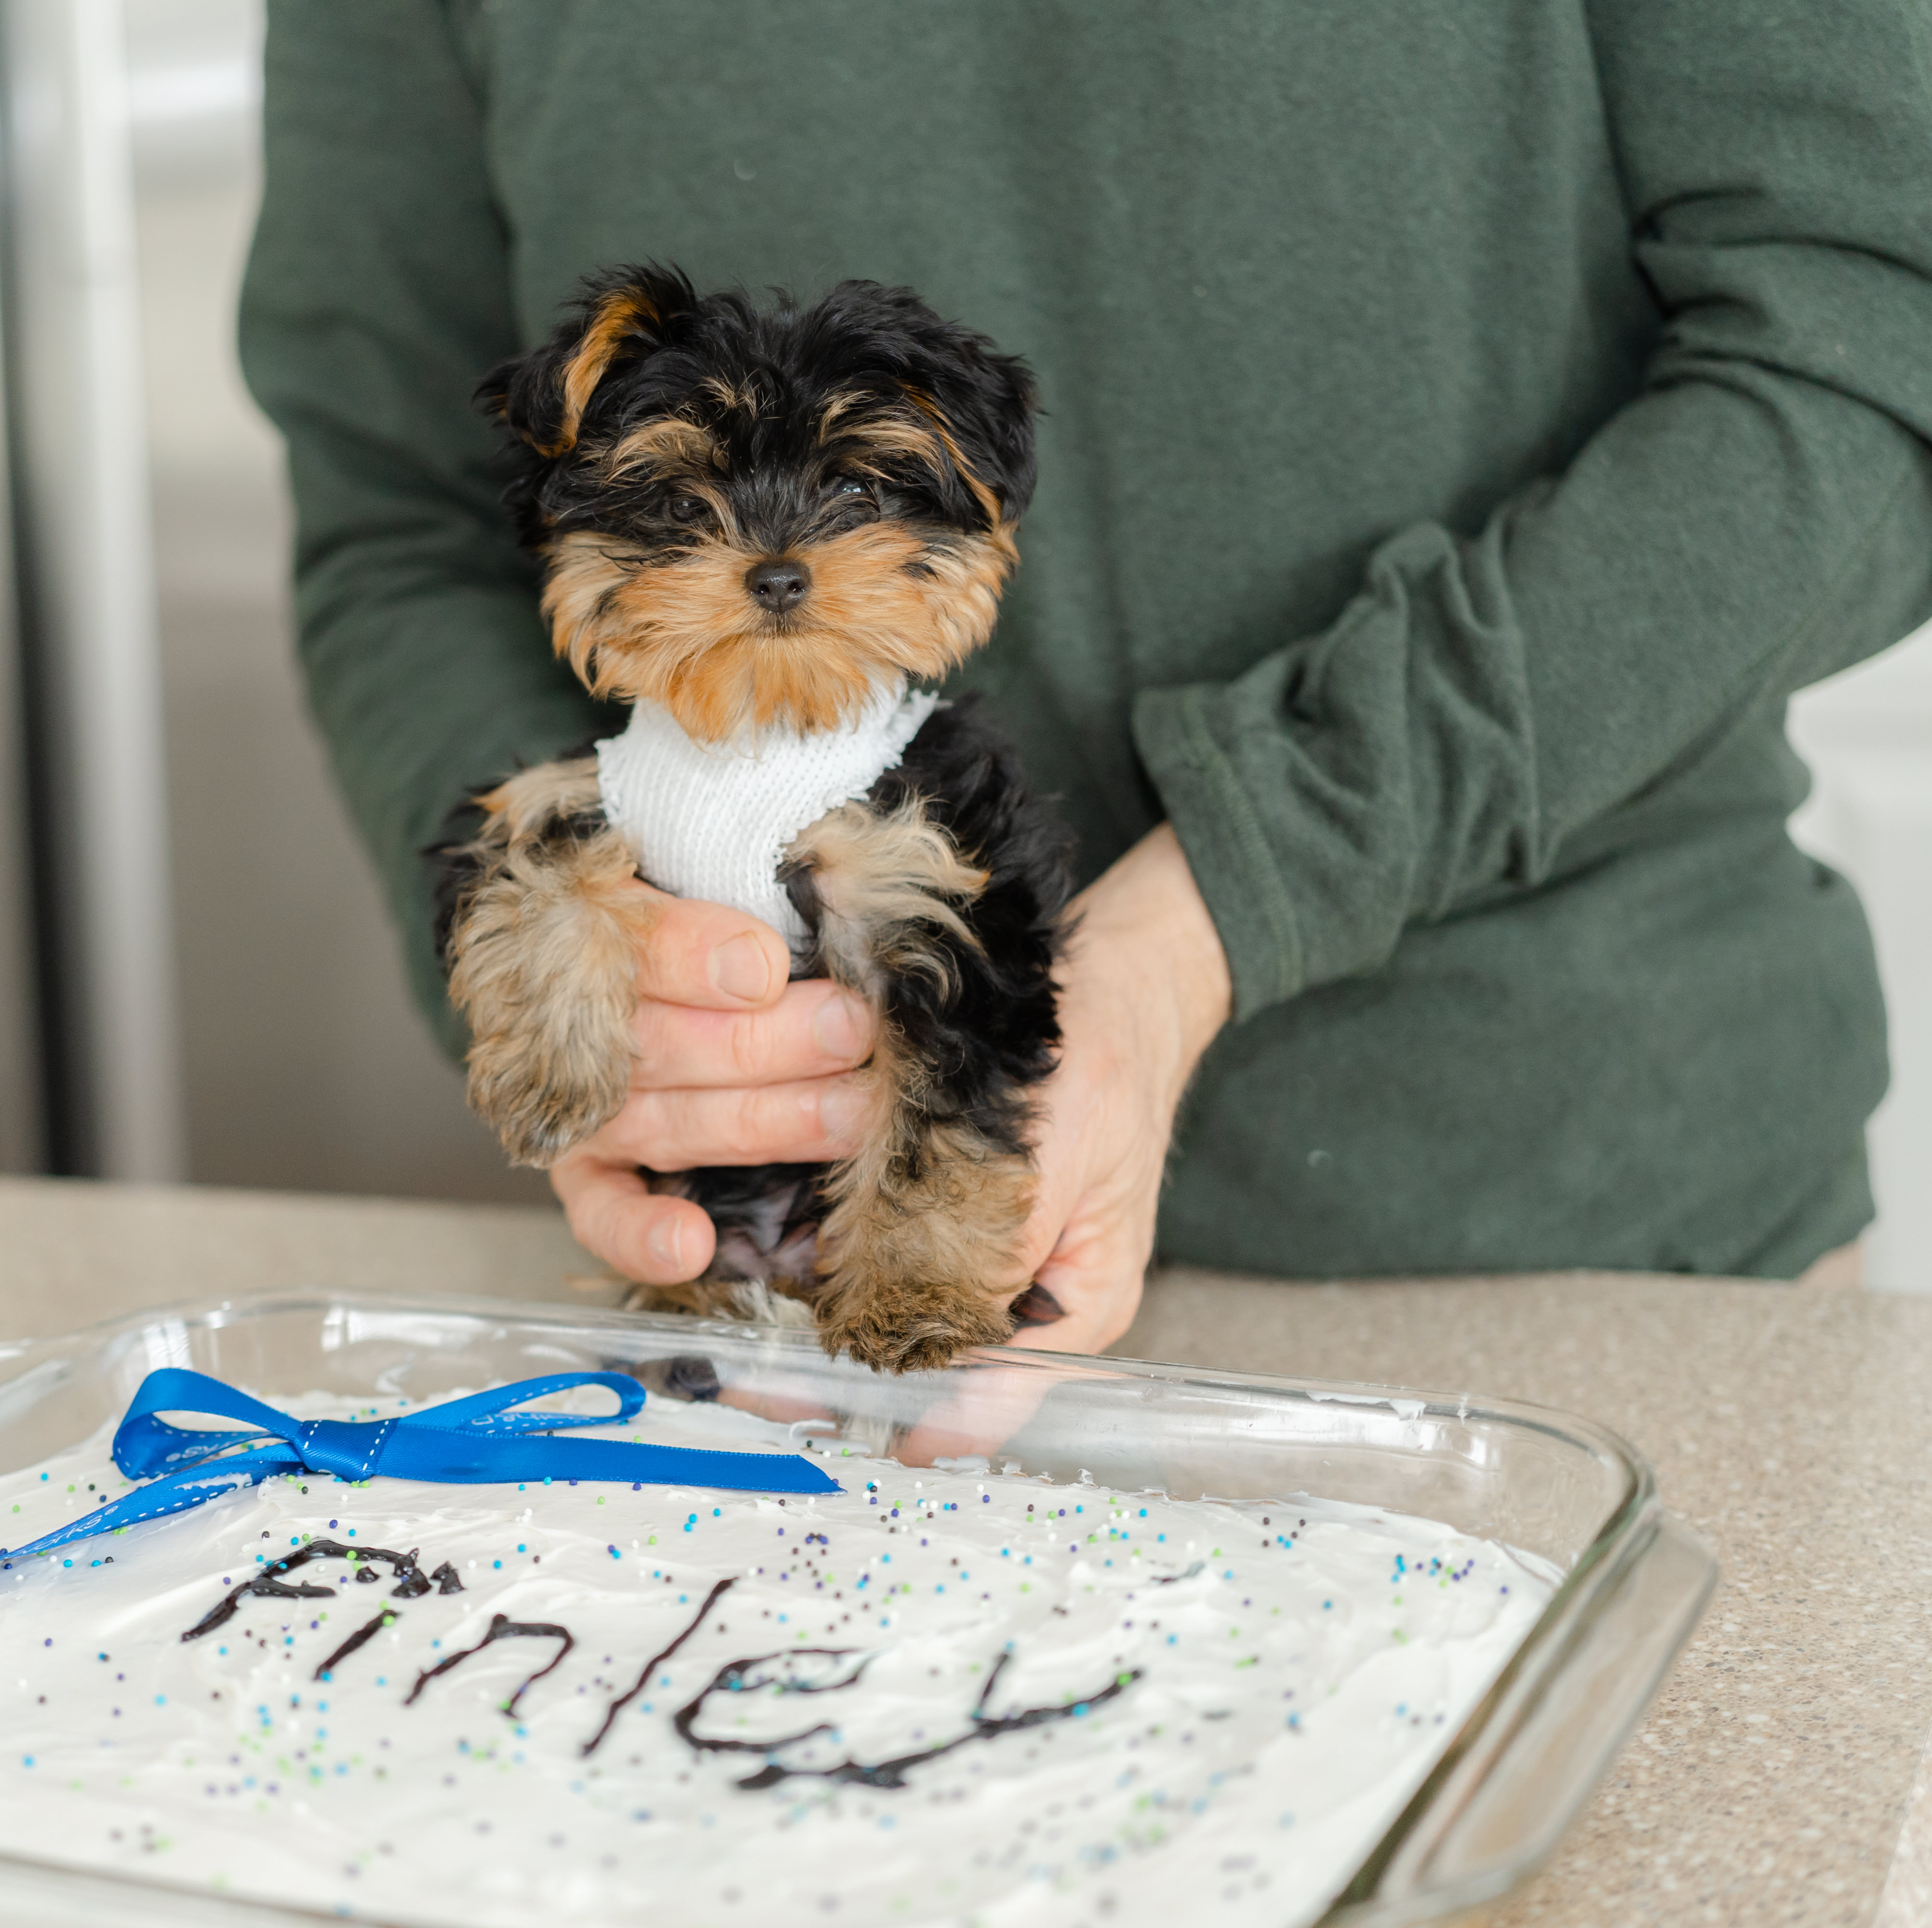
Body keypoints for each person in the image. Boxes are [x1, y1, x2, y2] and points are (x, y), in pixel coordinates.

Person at [238, 2, 1932, 1353]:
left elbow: (1869, 345)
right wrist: (577, 959)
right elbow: (399, 512)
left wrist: (1213, 912)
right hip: (758, 1295)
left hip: (1578, 1252)